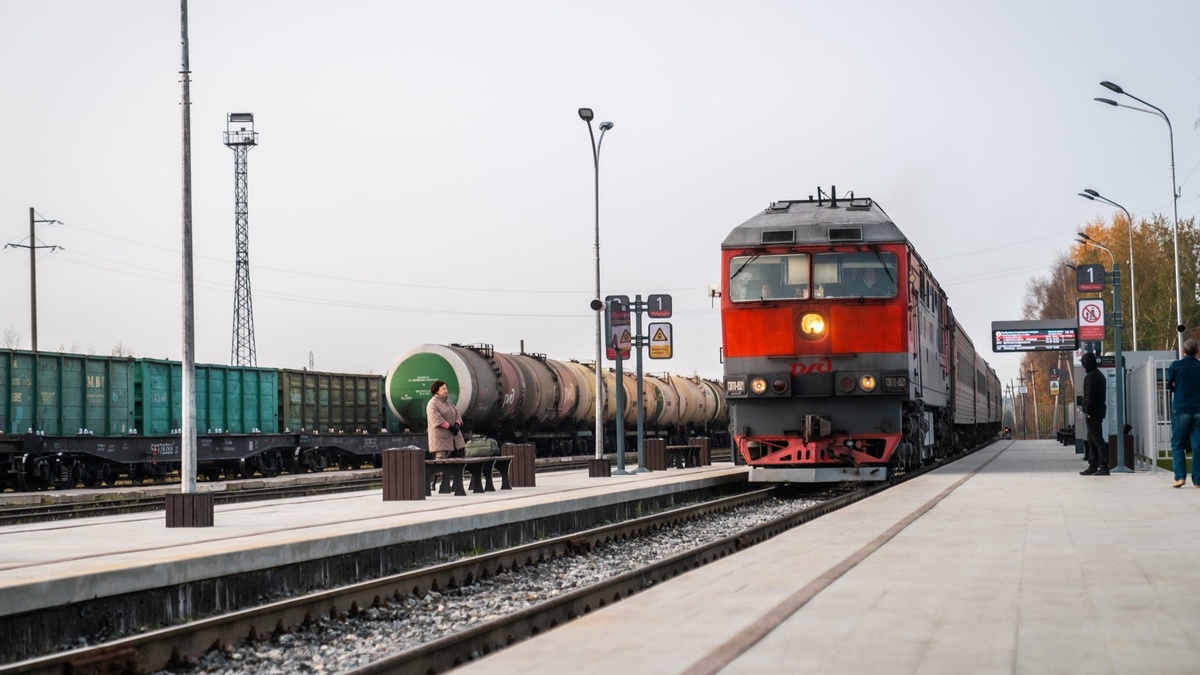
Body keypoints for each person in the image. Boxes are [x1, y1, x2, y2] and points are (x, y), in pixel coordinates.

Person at [1167, 339, 1200, 487]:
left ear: (1183, 351)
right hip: (1198, 409)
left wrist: (1177, 388)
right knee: (1198, 446)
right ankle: (1198, 480)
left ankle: (1180, 477)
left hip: (1180, 408)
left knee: (1178, 444)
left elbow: (1170, 384)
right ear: (1197, 351)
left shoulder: (1176, 365)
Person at [1079, 352, 1110, 476]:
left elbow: (1090, 395)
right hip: (1098, 410)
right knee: (1091, 439)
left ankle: (1104, 466)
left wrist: (1088, 411)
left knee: (1097, 439)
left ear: (1086, 364)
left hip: (1093, 412)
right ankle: (1093, 465)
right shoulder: (1099, 375)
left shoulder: (1091, 377)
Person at [426, 380, 465, 460]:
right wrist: (449, 427)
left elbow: (456, 413)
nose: (446, 390)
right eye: (443, 389)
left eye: (446, 388)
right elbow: (435, 418)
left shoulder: (448, 402)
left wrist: (457, 424)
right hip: (440, 439)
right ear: (437, 391)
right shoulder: (432, 403)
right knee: (441, 461)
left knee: (457, 460)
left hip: (453, 437)